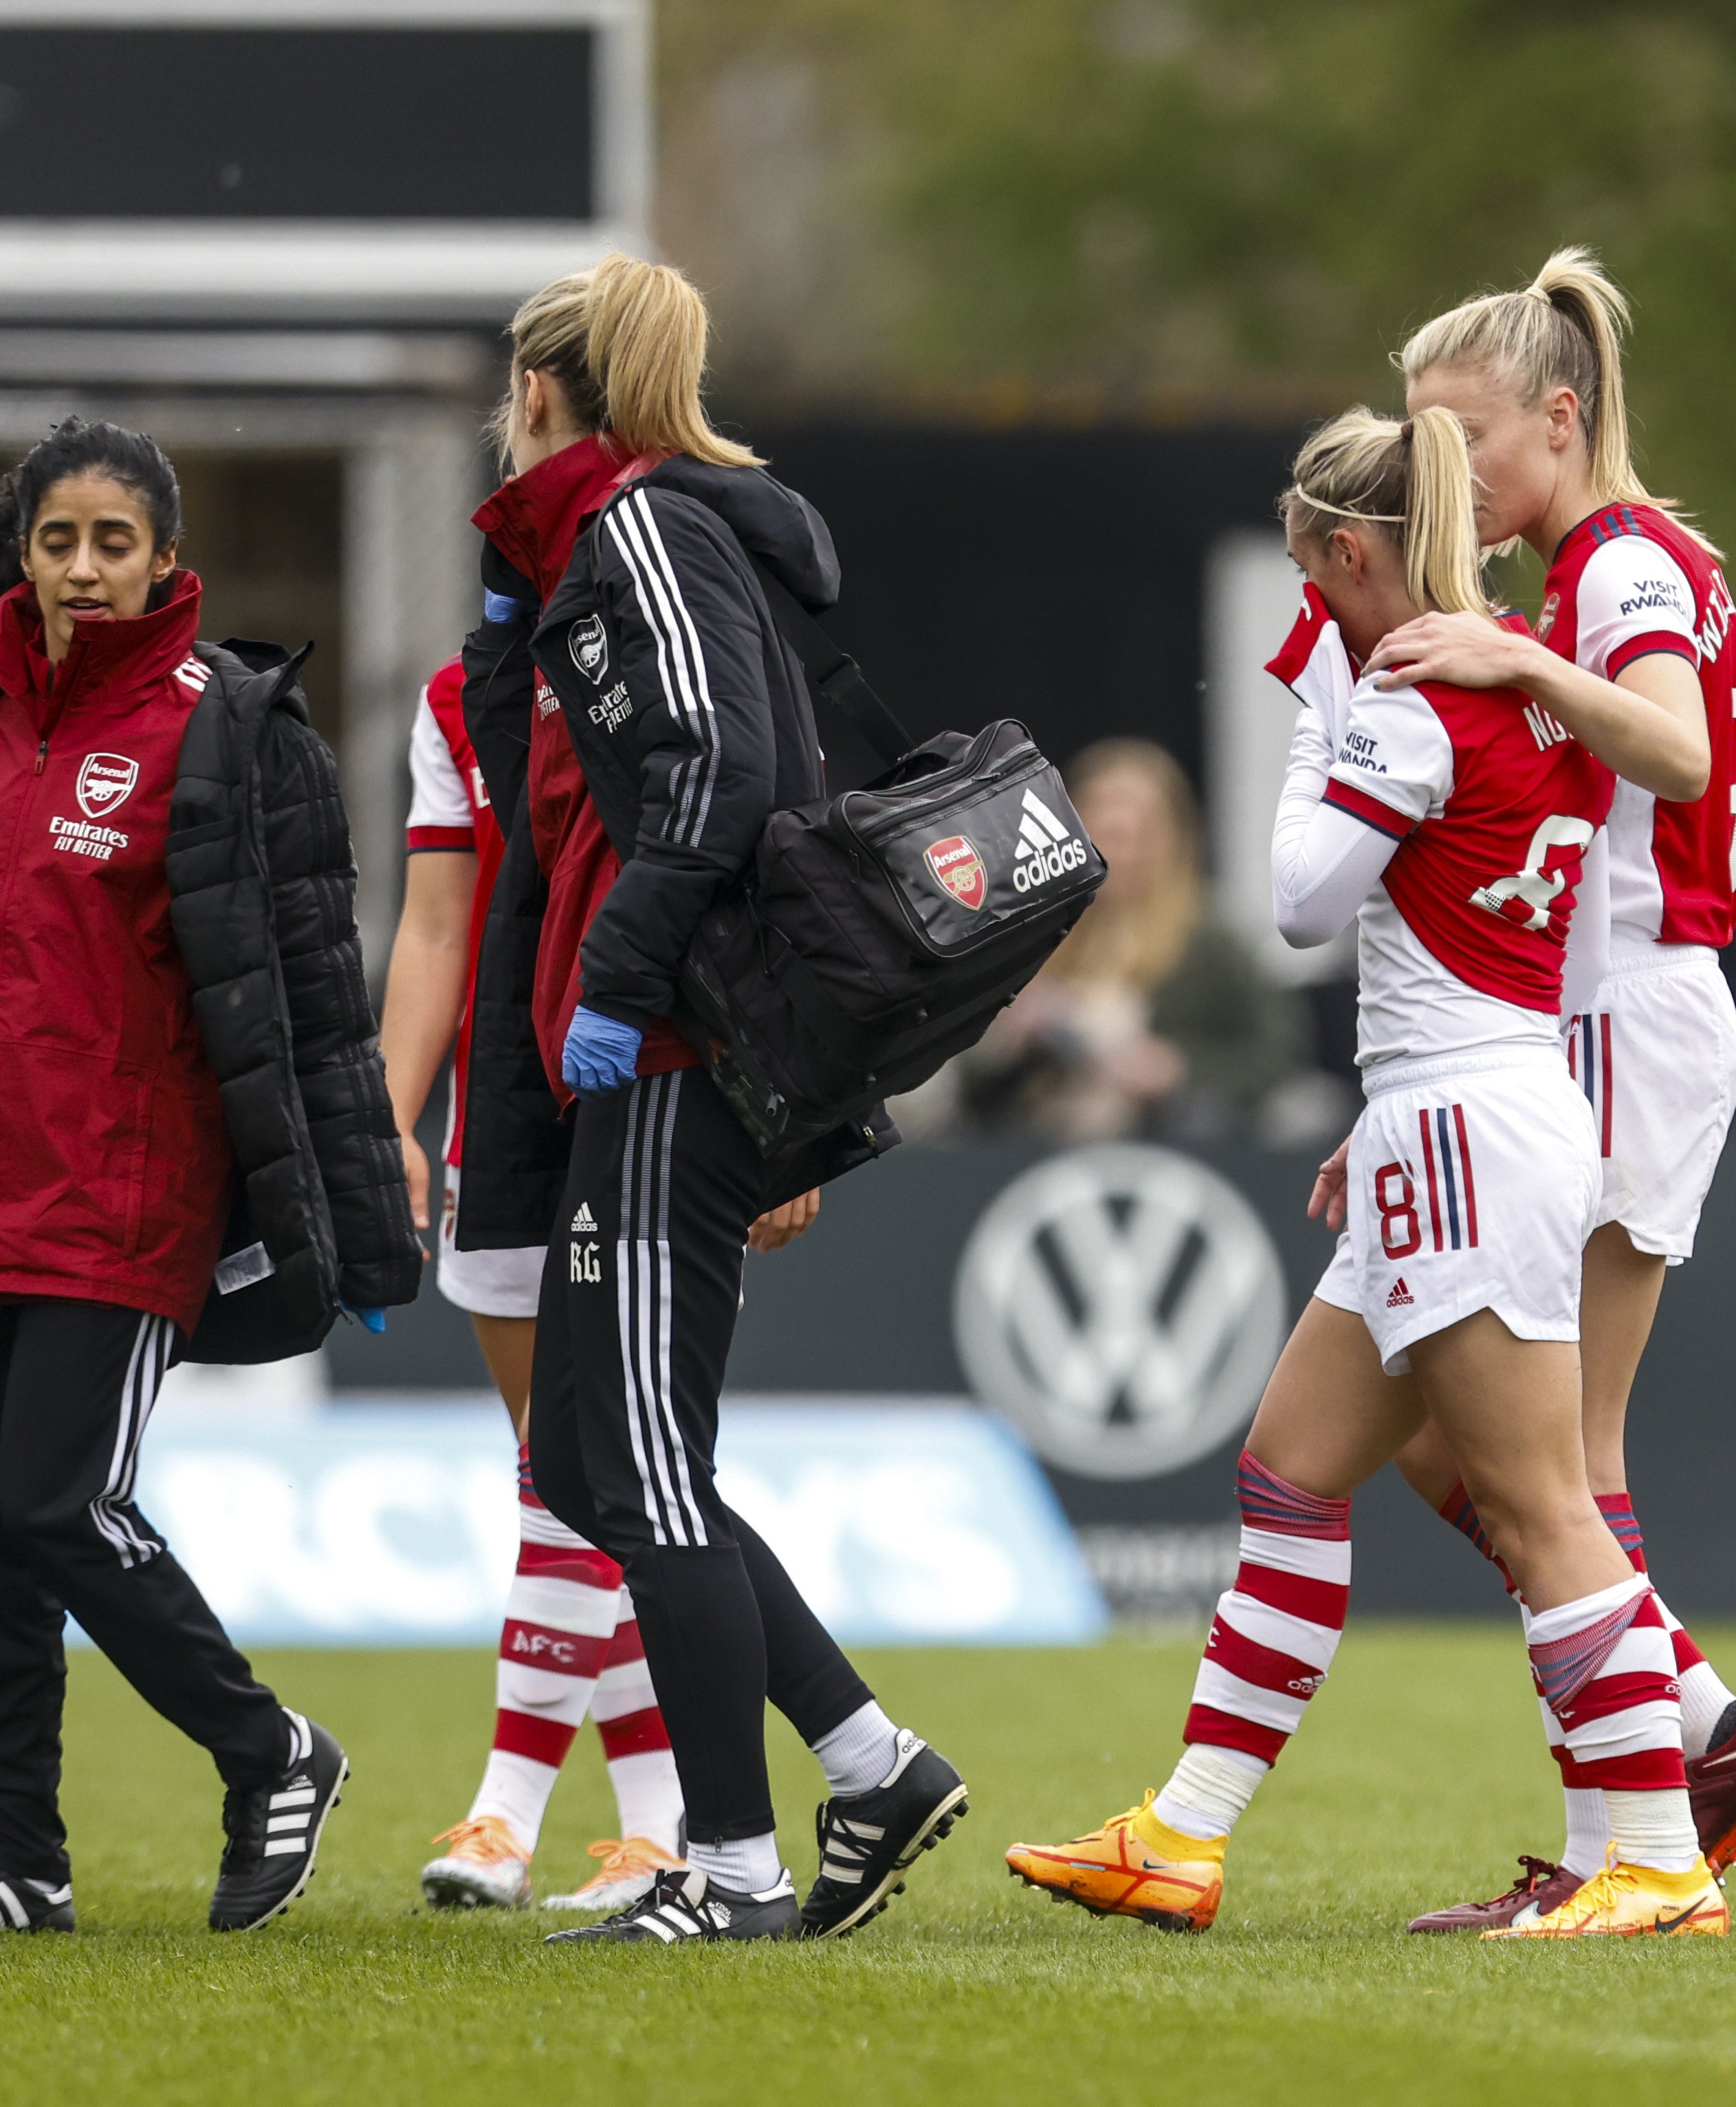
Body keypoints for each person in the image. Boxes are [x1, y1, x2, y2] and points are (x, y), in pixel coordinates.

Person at [1007, 404, 1730, 1939]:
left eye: (1302, 569)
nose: (1297, 606)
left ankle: (1657, 1852)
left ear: (1345, 551)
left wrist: (1317, 725)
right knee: (1290, 1462)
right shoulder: (1538, 689)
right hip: (1476, 1097)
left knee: (1536, 1502)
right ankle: (1180, 1833)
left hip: (1460, 1123)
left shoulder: (1404, 699)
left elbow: (1293, 902)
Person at [0, 418, 419, 1939]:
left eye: (114, 540)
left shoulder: (233, 725)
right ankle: (16, 1856)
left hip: (119, 1194)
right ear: (27, 554)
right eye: (59, 539)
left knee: (58, 1501)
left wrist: (347, 1201)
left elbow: (305, 987)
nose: (84, 567)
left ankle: (269, 1751)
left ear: (165, 560)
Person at [453, 254, 964, 1947]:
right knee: (605, 1456)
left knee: (643, 1459)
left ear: (545, 390)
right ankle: (870, 1758)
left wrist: (614, 983)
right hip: (651, 1042)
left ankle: (732, 1863)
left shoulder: (644, 530)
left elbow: (718, 772)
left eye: (509, 389)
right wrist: (513, 619)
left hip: (673, 1043)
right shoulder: (604, 542)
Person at [1370, 250, 1736, 1927]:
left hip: (1627, 1001)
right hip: (1609, 1013)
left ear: (1562, 414)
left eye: (1463, 440)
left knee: (1565, 1457)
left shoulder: (1619, 560)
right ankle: (1693, 1731)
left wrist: (1516, 664)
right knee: (1446, 1447)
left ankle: (1628, 1835)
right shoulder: (1620, 556)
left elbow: (1677, 749)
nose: (1445, 478)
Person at [388, 653, 688, 1917]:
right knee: (564, 1472)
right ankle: (662, 1824)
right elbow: (438, 919)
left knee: (582, 1471)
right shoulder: (461, 694)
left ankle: (506, 1816)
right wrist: (388, 1112)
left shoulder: (687, 645)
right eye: (527, 436)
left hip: (650, 1097)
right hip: (502, 1113)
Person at [957, 739, 1311, 1141]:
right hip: (1038, 1140)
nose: (1119, 855)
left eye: (1135, 836)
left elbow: (1280, 1051)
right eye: (1103, 834)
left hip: (1163, 1145)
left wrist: (1178, 1068)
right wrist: (1009, 1039)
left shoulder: (1209, 939)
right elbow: (961, 1070)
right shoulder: (1031, 936)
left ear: (1172, 839)